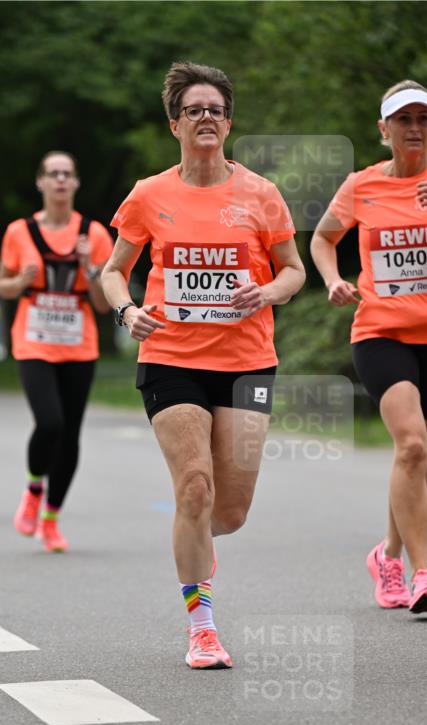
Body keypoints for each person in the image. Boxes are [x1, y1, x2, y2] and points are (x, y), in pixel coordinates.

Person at [102, 62, 305, 668]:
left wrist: (268, 292)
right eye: (194, 109)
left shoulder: (260, 195)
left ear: (230, 121)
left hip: (246, 361)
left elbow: (294, 271)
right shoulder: (149, 194)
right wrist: (127, 311)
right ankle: (203, 626)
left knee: (230, 510)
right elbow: (113, 271)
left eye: (216, 108)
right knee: (194, 486)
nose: (207, 117)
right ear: (175, 124)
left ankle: (192, 543)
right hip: (170, 356)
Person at [311, 81, 427, 615]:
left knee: (414, 455)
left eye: (423, 119)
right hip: (381, 333)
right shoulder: (361, 186)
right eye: (404, 120)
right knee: (413, 445)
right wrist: (334, 278)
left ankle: (389, 554)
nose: (415, 129)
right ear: (383, 131)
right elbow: (322, 238)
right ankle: (423, 573)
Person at [0, 151, 113, 552]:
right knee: (49, 423)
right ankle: (33, 491)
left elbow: (102, 304)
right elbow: (3, 287)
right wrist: (21, 280)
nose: (61, 180)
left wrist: (90, 268)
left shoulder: (94, 235)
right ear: (41, 182)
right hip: (33, 339)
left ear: (76, 183)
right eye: (53, 174)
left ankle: (51, 519)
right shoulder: (19, 231)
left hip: (79, 345)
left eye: (67, 174)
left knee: (71, 434)